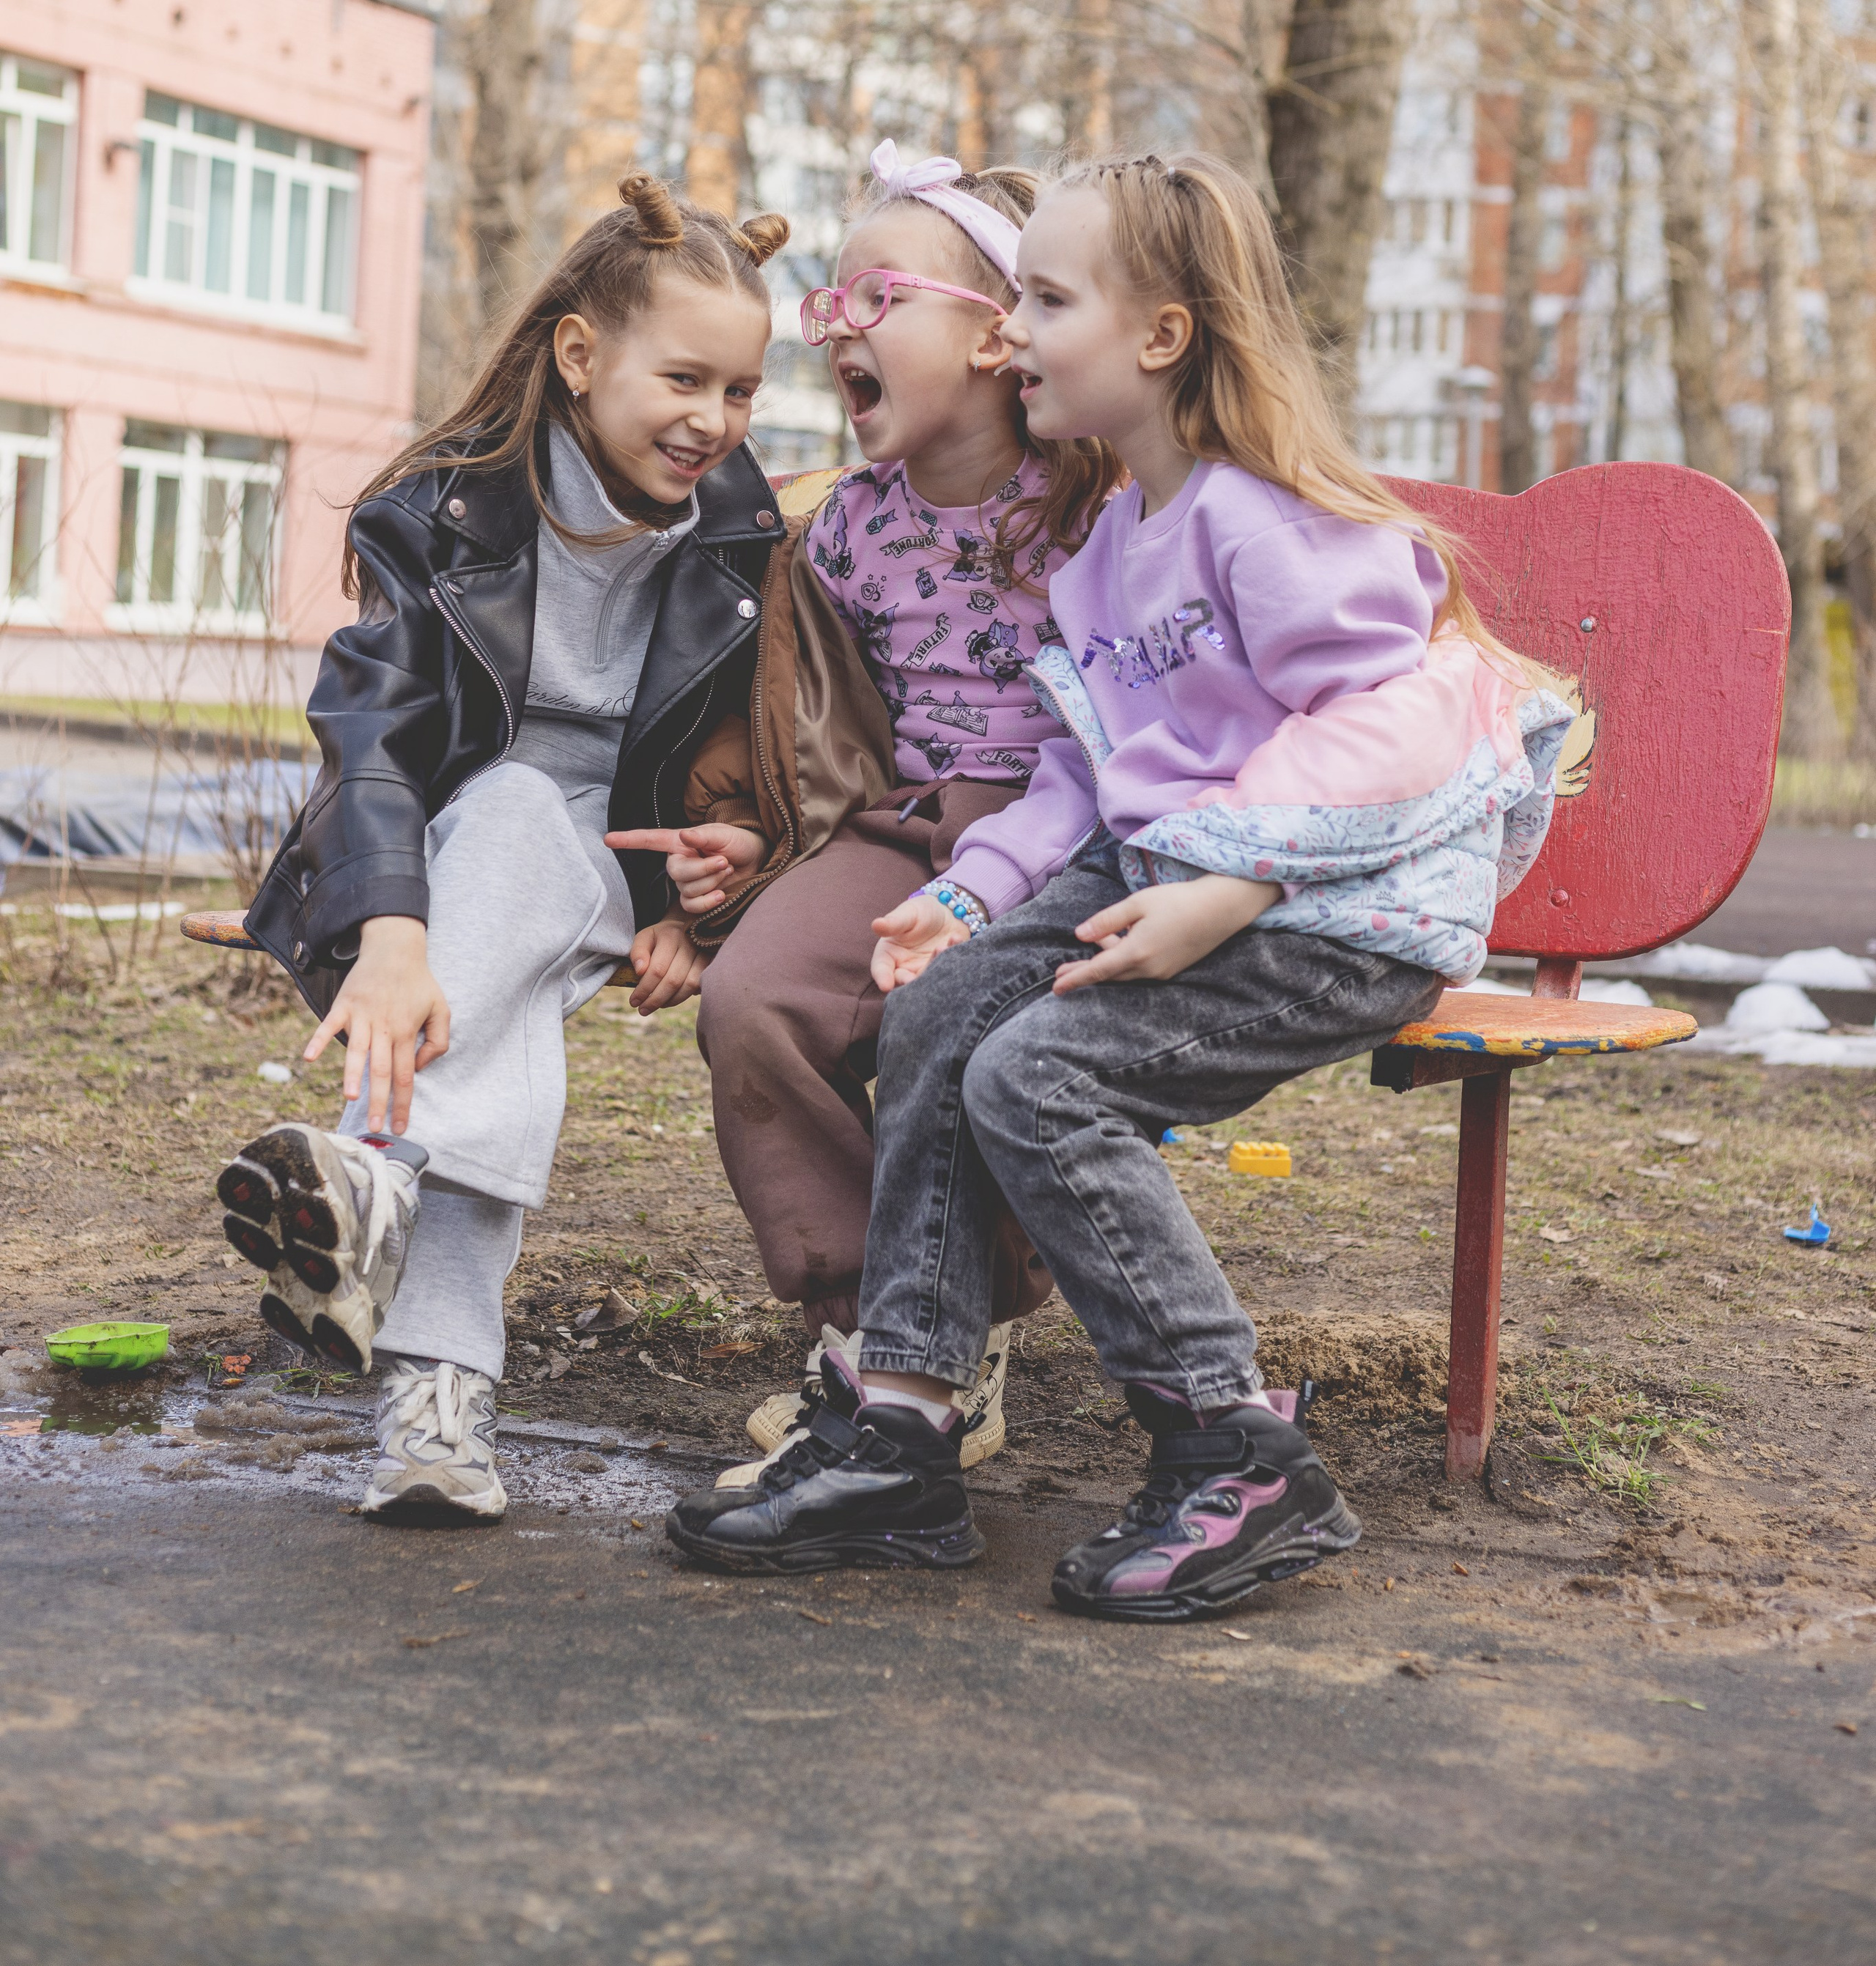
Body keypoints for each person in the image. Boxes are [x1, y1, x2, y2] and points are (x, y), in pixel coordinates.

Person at [665, 152, 1573, 1617]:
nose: (1015, 331)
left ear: (1159, 335)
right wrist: (970, 892)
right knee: (942, 1008)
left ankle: (1234, 1446)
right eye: (1010, 296)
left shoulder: (1264, 516)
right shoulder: (1107, 557)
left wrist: (1226, 879)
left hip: (1341, 915)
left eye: (1045, 299)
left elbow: (1393, 724)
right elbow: (1088, 778)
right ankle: (899, 1424)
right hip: (1185, 879)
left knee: (1034, 1078)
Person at [210, 173, 792, 1527]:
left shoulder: (749, 538)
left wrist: (721, 888)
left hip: (620, 859)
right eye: (687, 378)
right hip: (452, 856)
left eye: (745, 391)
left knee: (529, 826)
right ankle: (439, 1408)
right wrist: (397, 932)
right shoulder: (440, 511)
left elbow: (771, 749)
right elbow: (372, 732)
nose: (715, 420)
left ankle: (373, 1174)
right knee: (496, 986)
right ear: (582, 358)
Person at [619, 145, 1118, 1484]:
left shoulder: (1096, 503)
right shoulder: (842, 532)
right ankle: (867, 1335)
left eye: (875, 297)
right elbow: (814, 733)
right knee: (761, 1000)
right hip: (903, 826)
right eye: (828, 307)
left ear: (999, 332)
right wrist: (762, 850)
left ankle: (953, 1336)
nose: (836, 326)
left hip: (1071, 838)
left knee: (966, 1028)